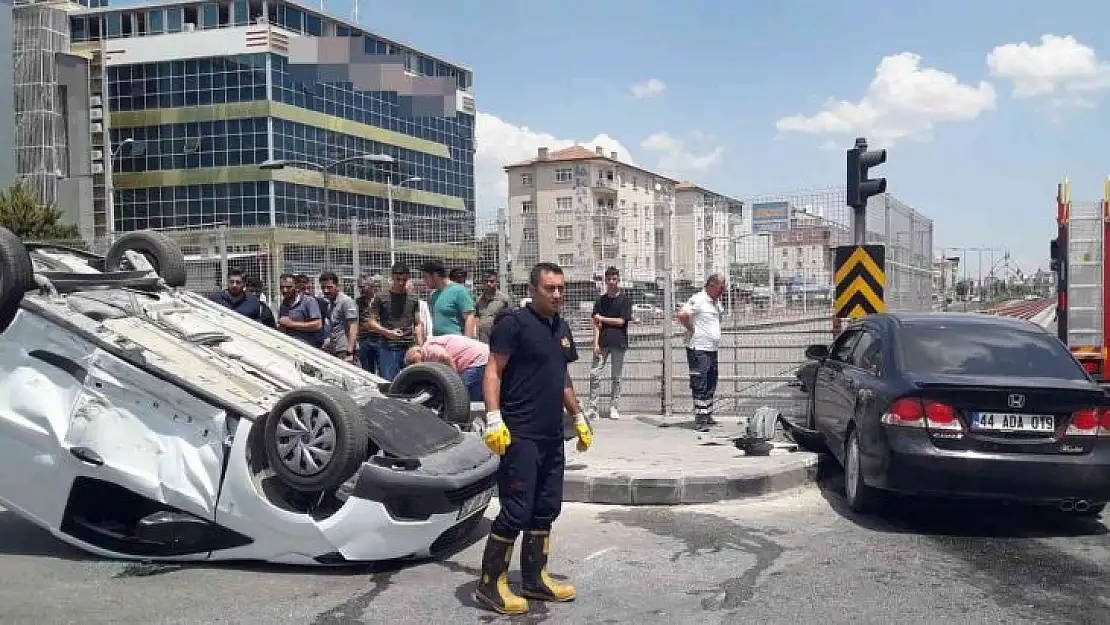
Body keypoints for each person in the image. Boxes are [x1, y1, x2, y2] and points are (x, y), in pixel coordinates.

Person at [473, 261, 593, 616]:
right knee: (516, 511)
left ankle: (534, 578)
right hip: (519, 433)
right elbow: (493, 370)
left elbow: (563, 377)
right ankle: (489, 585)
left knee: (546, 508)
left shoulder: (561, 327)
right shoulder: (513, 324)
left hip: (550, 434)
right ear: (533, 290)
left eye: (561, 288)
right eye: (549, 288)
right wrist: (493, 418)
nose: (557, 294)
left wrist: (579, 416)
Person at [676, 273, 725, 431]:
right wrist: (691, 328)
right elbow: (682, 314)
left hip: (711, 349)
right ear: (711, 285)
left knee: (711, 381)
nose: (722, 291)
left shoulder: (715, 302)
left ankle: (707, 414)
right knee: (700, 383)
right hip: (699, 349)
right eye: (720, 288)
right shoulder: (698, 299)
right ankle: (700, 419)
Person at [588, 266, 633, 420]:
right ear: (605, 281)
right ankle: (593, 408)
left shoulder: (625, 300)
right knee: (595, 374)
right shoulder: (600, 301)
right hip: (602, 343)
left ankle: (614, 407)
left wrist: (602, 318)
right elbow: (595, 323)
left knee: (616, 377)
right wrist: (595, 343)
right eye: (609, 279)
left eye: (614, 279)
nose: (611, 282)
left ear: (618, 280)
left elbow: (621, 321)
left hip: (619, 343)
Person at [368, 261, 425, 380]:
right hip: (388, 347)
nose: (401, 283)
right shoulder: (381, 297)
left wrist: (420, 345)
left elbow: (418, 323)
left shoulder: (413, 298)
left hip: (409, 347)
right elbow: (371, 322)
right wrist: (387, 332)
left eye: (404, 280)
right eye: (398, 279)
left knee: (412, 382)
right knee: (389, 383)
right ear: (392, 278)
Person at [403, 334, 488, 402]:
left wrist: (455, 379)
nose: (416, 364)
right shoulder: (429, 349)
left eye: (414, 360)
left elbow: (445, 357)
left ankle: (471, 419)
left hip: (477, 359)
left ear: (418, 351)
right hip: (481, 356)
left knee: (463, 396)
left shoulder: (429, 349)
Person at [421, 259, 476, 337]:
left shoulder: (459, 291)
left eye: (426, 277)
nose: (424, 280)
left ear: (435, 275)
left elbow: (469, 317)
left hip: (456, 342)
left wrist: (467, 342)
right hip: (439, 342)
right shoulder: (434, 295)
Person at [319, 271, 359, 363]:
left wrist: (350, 352)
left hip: (345, 351)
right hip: (335, 350)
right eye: (323, 288)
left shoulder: (346, 301)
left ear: (337, 286)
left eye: (329, 287)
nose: (326, 291)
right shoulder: (330, 305)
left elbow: (353, 326)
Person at [276, 273, 323, 345]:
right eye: (282, 287)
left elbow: (317, 324)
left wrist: (292, 324)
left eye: (288, 287)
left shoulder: (308, 301)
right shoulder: (283, 305)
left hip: (306, 347)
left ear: (296, 287)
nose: (284, 290)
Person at [475, 270, 515, 343]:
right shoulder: (479, 300)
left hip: (499, 337)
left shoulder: (504, 299)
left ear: (497, 282)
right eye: (486, 281)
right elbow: (477, 317)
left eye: (491, 281)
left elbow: (512, 317)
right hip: (482, 338)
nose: (488, 284)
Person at [355, 275, 380, 373]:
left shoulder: (380, 300)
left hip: (379, 339)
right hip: (364, 340)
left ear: (371, 286)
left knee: (383, 368)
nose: (361, 290)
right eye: (359, 287)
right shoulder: (358, 301)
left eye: (363, 287)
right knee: (367, 370)